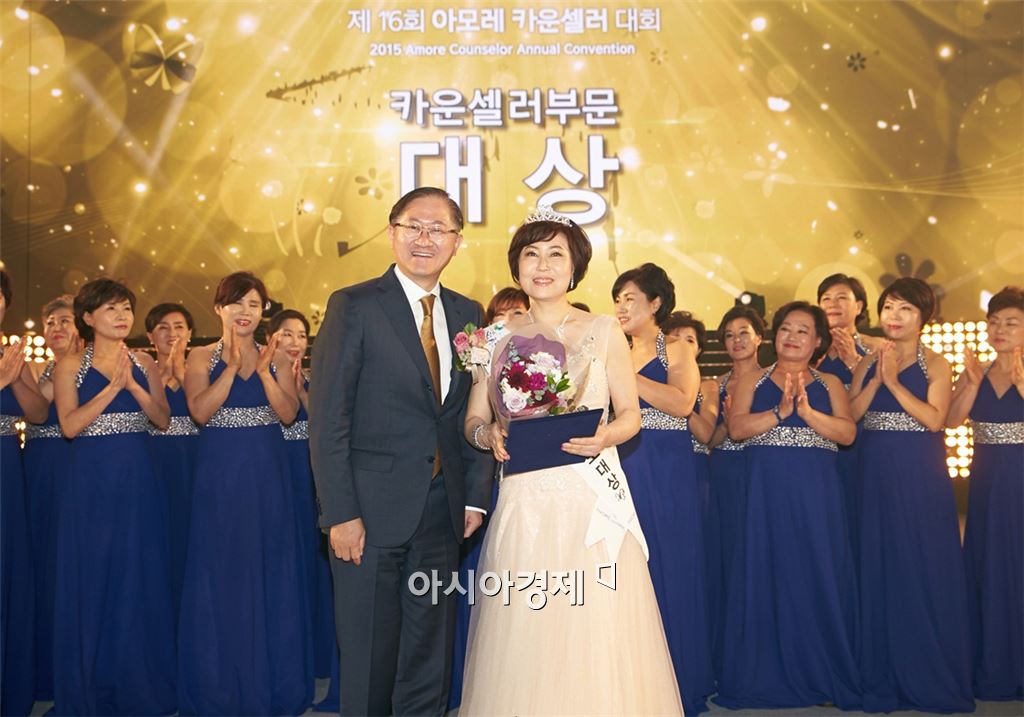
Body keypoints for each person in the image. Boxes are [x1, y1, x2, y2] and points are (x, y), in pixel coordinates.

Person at [460, 209, 683, 715]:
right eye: (531, 254)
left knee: (596, 626)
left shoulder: (604, 330)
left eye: (556, 254)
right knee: (526, 627)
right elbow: (473, 419)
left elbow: (631, 417)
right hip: (524, 500)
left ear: (575, 266)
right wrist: (486, 432)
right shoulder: (490, 338)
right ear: (516, 266)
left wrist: (605, 436)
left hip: (591, 496)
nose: (543, 265)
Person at [308, 187, 492, 716]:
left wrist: (473, 497)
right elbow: (329, 418)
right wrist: (340, 513)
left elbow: (470, 411)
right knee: (369, 656)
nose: (424, 238)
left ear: (457, 241)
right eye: (413, 226)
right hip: (367, 515)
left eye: (438, 229)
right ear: (392, 234)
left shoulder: (468, 314)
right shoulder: (354, 305)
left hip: (442, 513)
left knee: (428, 657)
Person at [177, 272, 309, 715]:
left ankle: (271, 680)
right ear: (219, 309)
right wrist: (233, 367)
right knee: (222, 569)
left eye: (254, 304)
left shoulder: (277, 356)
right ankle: (221, 682)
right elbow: (199, 411)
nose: (245, 312)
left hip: (268, 474)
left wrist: (268, 372)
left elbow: (288, 414)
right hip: (221, 476)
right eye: (237, 303)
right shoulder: (200, 356)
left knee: (269, 567)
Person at [718, 301, 861, 709]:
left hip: (816, 495)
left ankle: (821, 671)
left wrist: (808, 413)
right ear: (775, 336)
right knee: (766, 572)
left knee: (816, 574)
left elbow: (847, 433)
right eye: (786, 328)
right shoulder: (753, 380)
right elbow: (737, 429)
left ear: (817, 341)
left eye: (803, 331)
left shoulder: (831, 383)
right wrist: (780, 413)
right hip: (765, 494)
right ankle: (765, 672)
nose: (793, 337)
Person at [51, 278, 176, 715]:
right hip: (90, 485)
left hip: (138, 481)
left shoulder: (144, 362)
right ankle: (92, 684)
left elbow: (162, 419)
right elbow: (69, 426)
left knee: (137, 576)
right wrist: (111, 388)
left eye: (126, 308)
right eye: (111, 309)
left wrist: (135, 386)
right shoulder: (71, 365)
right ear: (88, 317)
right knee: (93, 578)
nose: (122, 316)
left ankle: (138, 684)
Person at [849, 277, 974, 713]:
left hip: (919, 474)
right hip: (874, 471)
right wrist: (874, 378)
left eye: (905, 309)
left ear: (923, 318)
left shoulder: (936, 363)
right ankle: (880, 669)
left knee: (919, 563)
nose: (894, 316)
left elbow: (936, 419)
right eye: (889, 307)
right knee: (878, 563)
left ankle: (925, 668)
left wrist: (895, 383)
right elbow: (852, 415)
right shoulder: (869, 360)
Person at [613, 264, 713, 714]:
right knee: (624, 568)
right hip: (620, 465)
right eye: (617, 300)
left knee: (668, 564)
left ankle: (677, 679)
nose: (621, 307)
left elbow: (681, 402)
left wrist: (623, 373)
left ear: (655, 303)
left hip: (666, 466)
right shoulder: (612, 348)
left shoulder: (675, 348)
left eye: (630, 299)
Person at [448, 286, 529, 711]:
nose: (510, 321)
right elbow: (469, 424)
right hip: (489, 486)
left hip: (534, 485)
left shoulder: (547, 357)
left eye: (519, 313)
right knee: (482, 587)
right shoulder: (479, 360)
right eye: (502, 315)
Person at [946, 286, 1024, 701]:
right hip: (987, 482)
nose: (1000, 330)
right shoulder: (977, 369)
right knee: (990, 564)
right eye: (994, 322)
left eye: (1011, 323)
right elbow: (951, 420)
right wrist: (972, 383)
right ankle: (993, 663)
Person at [270, 309, 336, 697]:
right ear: (271, 337)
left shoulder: (317, 378)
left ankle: (320, 653)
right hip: (275, 475)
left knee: (316, 562)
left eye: (300, 335)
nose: (295, 341)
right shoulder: (260, 377)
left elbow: (326, 425)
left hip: (311, 475)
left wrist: (303, 391)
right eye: (286, 333)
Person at [705, 305, 764, 679]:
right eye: (729, 335)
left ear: (760, 337)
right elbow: (708, 439)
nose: (736, 341)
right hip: (724, 472)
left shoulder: (774, 379)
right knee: (728, 556)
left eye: (743, 333)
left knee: (760, 555)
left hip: (763, 472)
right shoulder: (714, 385)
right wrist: (729, 424)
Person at [24, 294, 77, 703]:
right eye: (50, 322)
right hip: (38, 468)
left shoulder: (92, 367)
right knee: (40, 561)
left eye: (65, 321)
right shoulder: (32, 369)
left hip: (76, 465)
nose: (56, 328)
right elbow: (35, 411)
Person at [0, 270, 47, 717]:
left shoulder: (14, 355)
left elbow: (38, 413)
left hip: (7, 474)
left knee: (8, 569)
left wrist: (13, 377)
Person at [816, 273, 880, 562]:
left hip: (867, 444)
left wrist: (855, 361)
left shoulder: (878, 347)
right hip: (823, 446)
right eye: (826, 298)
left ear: (859, 306)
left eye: (842, 297)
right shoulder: (811, 348)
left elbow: (886, 396)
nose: (833, 304)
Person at [145, 303, 198, 619]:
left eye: (179, 327)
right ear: (150, 336)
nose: (172, 333)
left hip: (195, 466)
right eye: (162, 327)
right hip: (152, 467)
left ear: (190, 334)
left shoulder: (203, 372)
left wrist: (182, 375)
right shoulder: (139, 373)